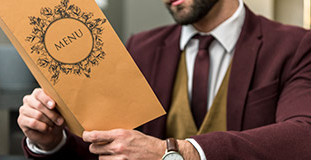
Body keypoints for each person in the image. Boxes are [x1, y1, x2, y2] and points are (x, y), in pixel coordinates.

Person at [18, 0, 311, 159]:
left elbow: (304, 135)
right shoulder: (139, 48)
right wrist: (51, 141)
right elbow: (107, 145)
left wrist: (177, 152)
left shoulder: (295, 45)